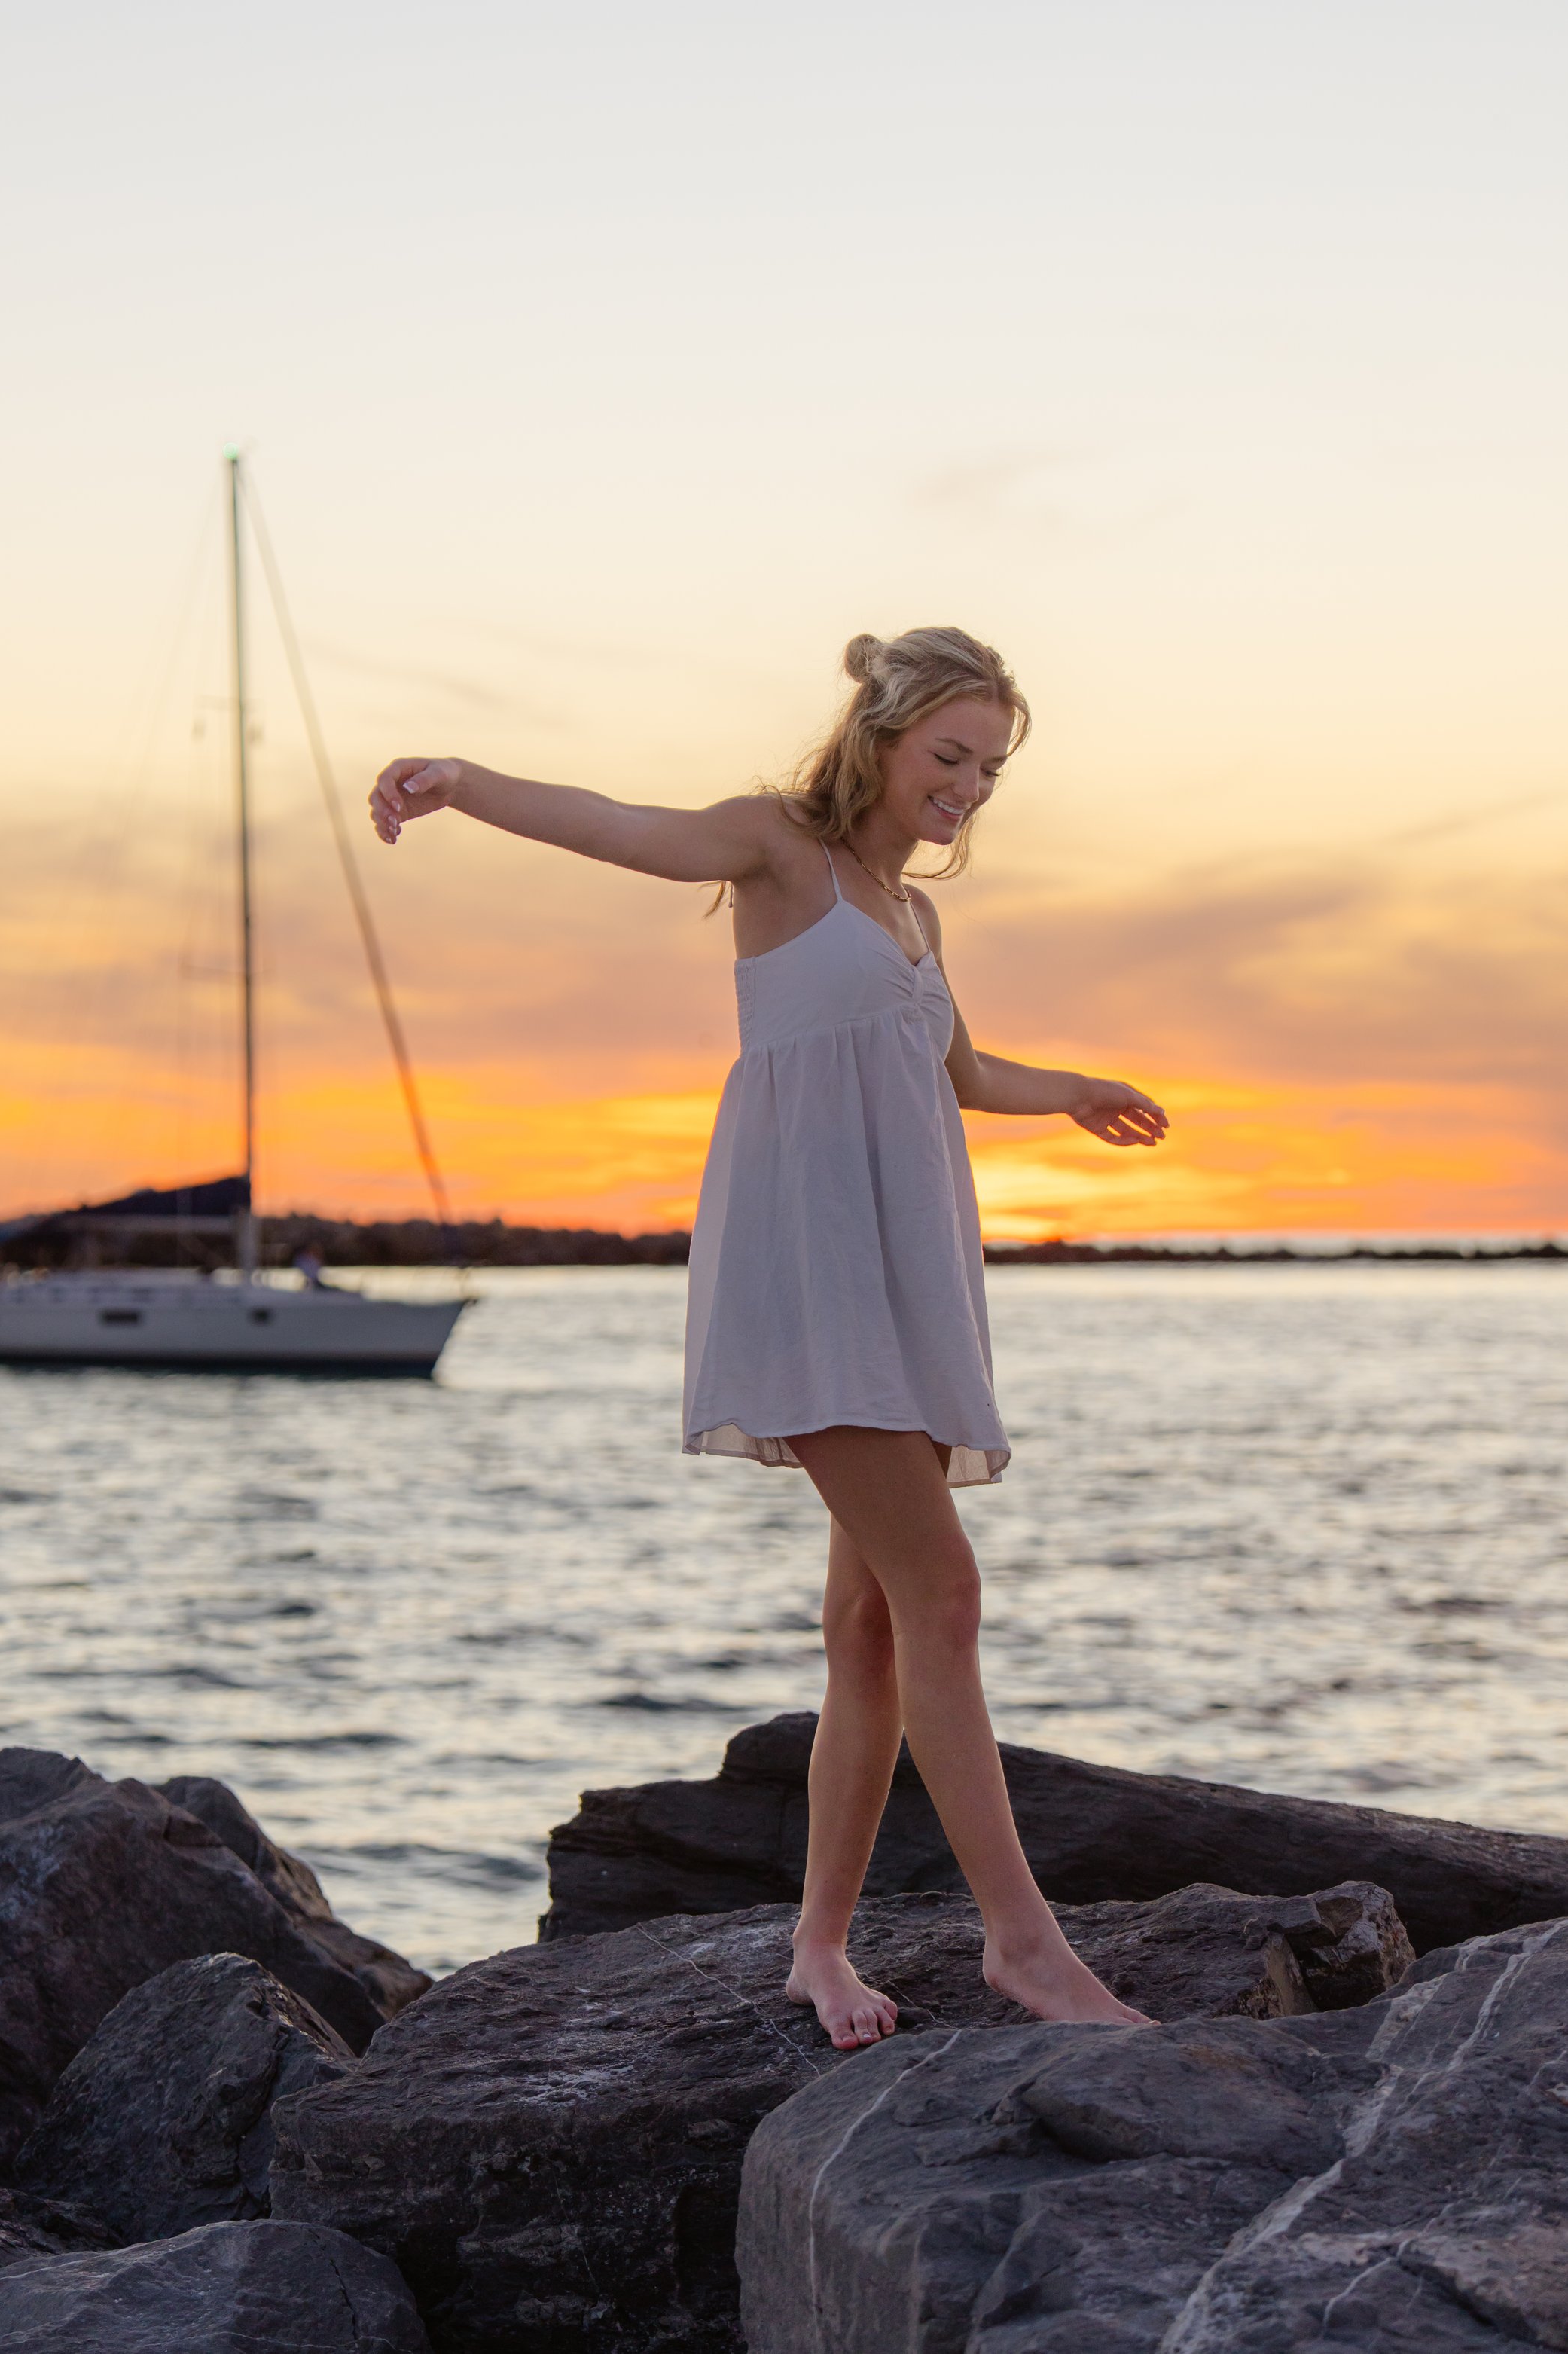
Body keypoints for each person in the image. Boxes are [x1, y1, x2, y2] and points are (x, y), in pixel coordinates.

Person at [369, 626, 1168, 2045]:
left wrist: (1080, 1088)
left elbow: (966, 1071)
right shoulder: (780, 850)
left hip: (905, 1275)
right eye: (951, 756)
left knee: (869, 1627)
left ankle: (819, 1948)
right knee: (945, 1595)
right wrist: (461, 778)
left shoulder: (913, 913)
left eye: (991, 767)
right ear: (884, 731)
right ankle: (1024, 1946)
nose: (970, 788)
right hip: (814, 1276)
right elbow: (621, 828)